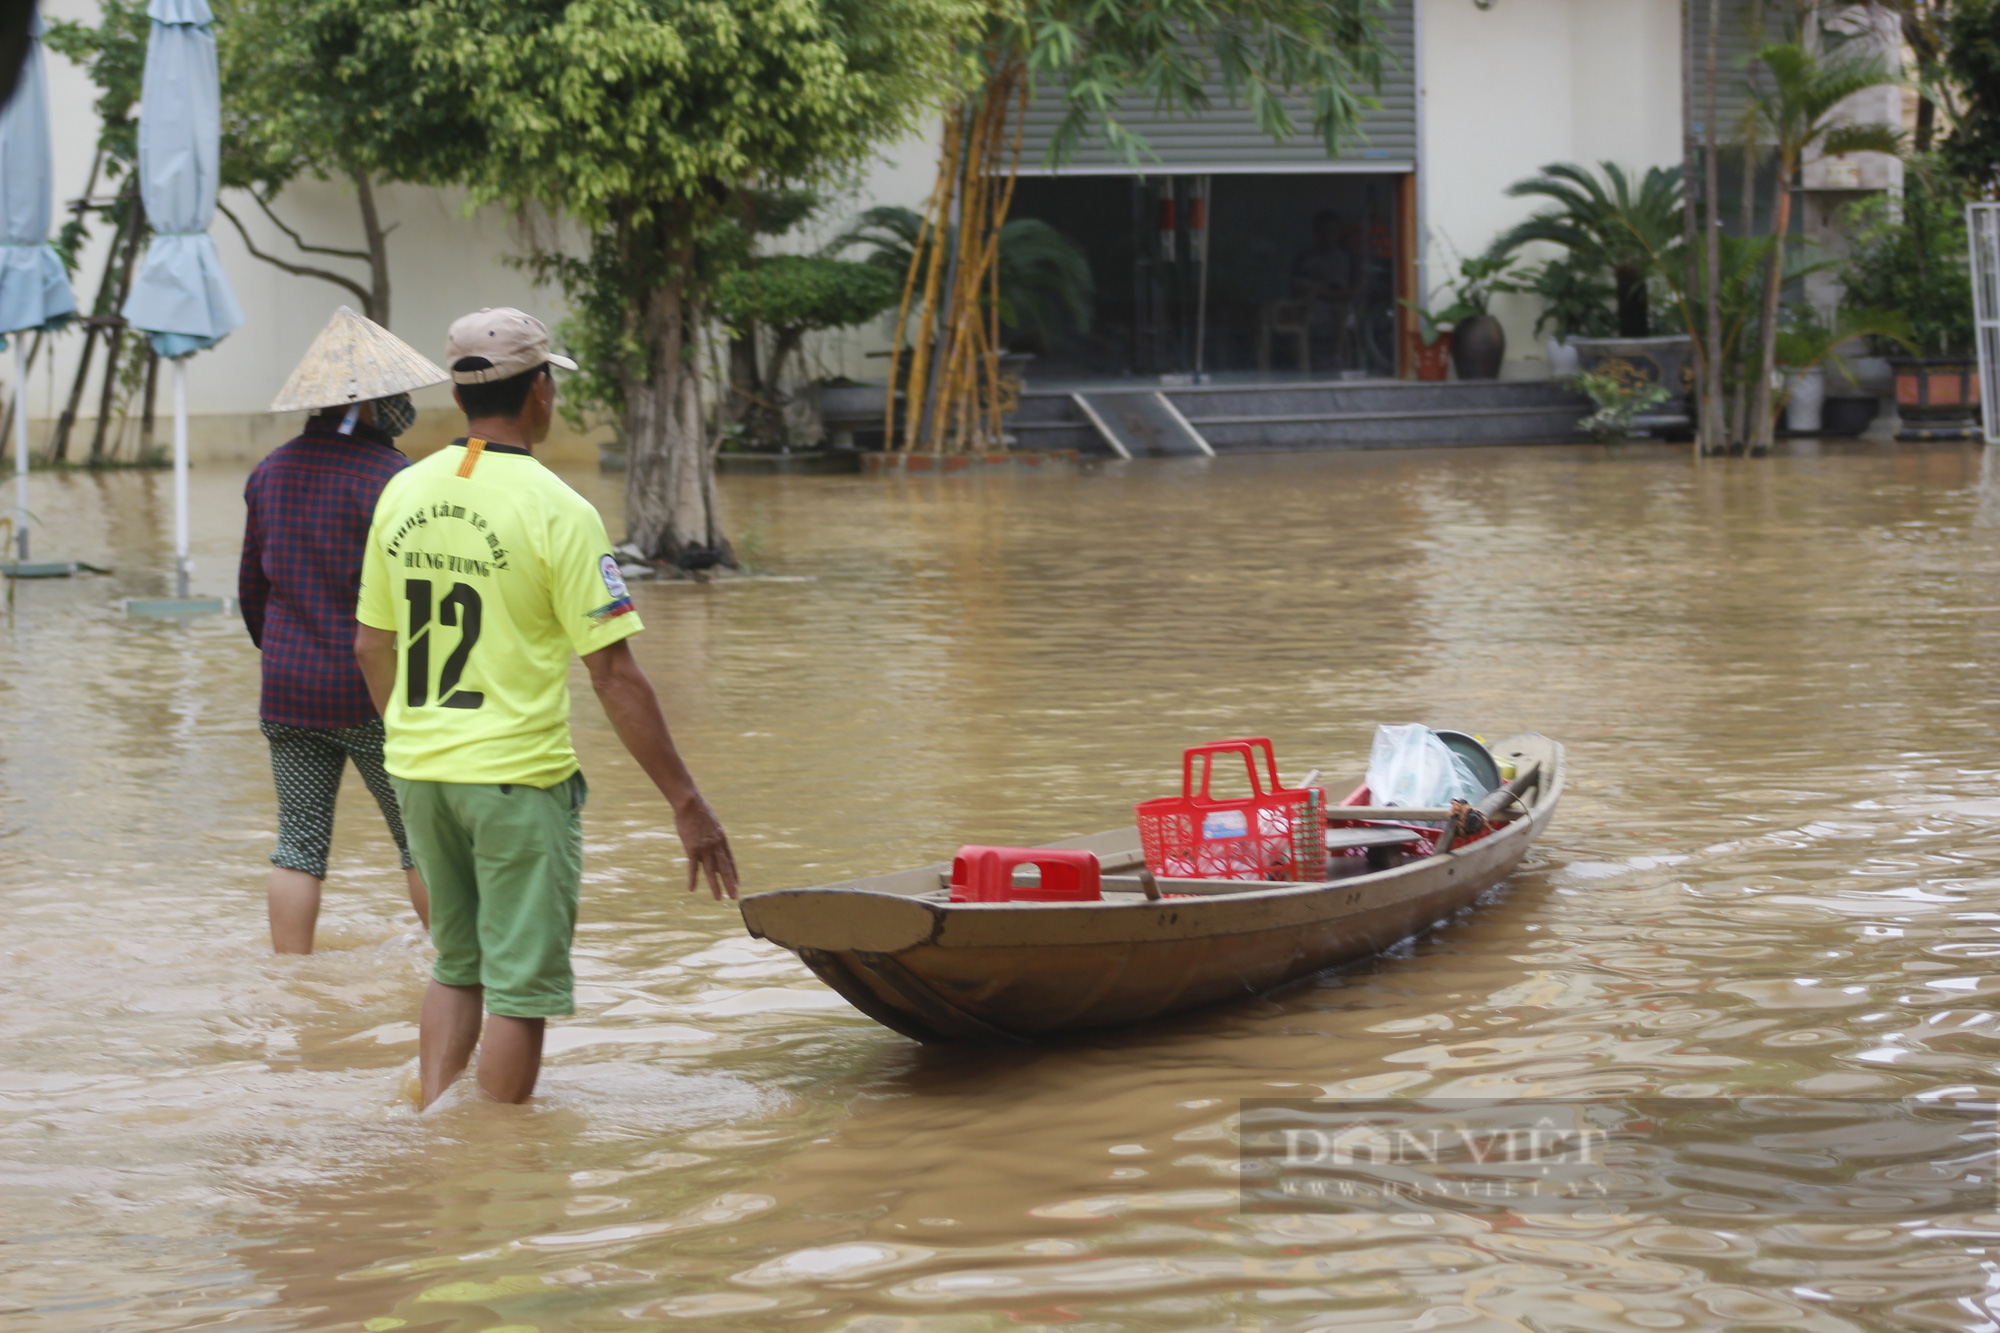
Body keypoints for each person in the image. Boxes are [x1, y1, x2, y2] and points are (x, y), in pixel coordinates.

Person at [354, 307, 737, 1109]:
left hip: (421, 774)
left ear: (461, 396)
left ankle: (432, 1134)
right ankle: (494, 1168)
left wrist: (411, 737)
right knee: (520, 992)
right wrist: (687, 801)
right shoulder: (559, 508)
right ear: (539, 394)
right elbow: (615, 676)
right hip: (517, 783)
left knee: (456, 966)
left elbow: (369, 646)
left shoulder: (402, 493)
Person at [241, 306, 449, 953]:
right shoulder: (395, 480)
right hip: (376, 695)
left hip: (289, 691)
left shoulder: (269, 471)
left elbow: (253, 590)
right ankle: (453, 967)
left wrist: (282, 651)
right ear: (381, 405)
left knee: (298, 842)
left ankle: (291, 979)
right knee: (420, 838)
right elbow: (426, 601)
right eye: (399, 399)